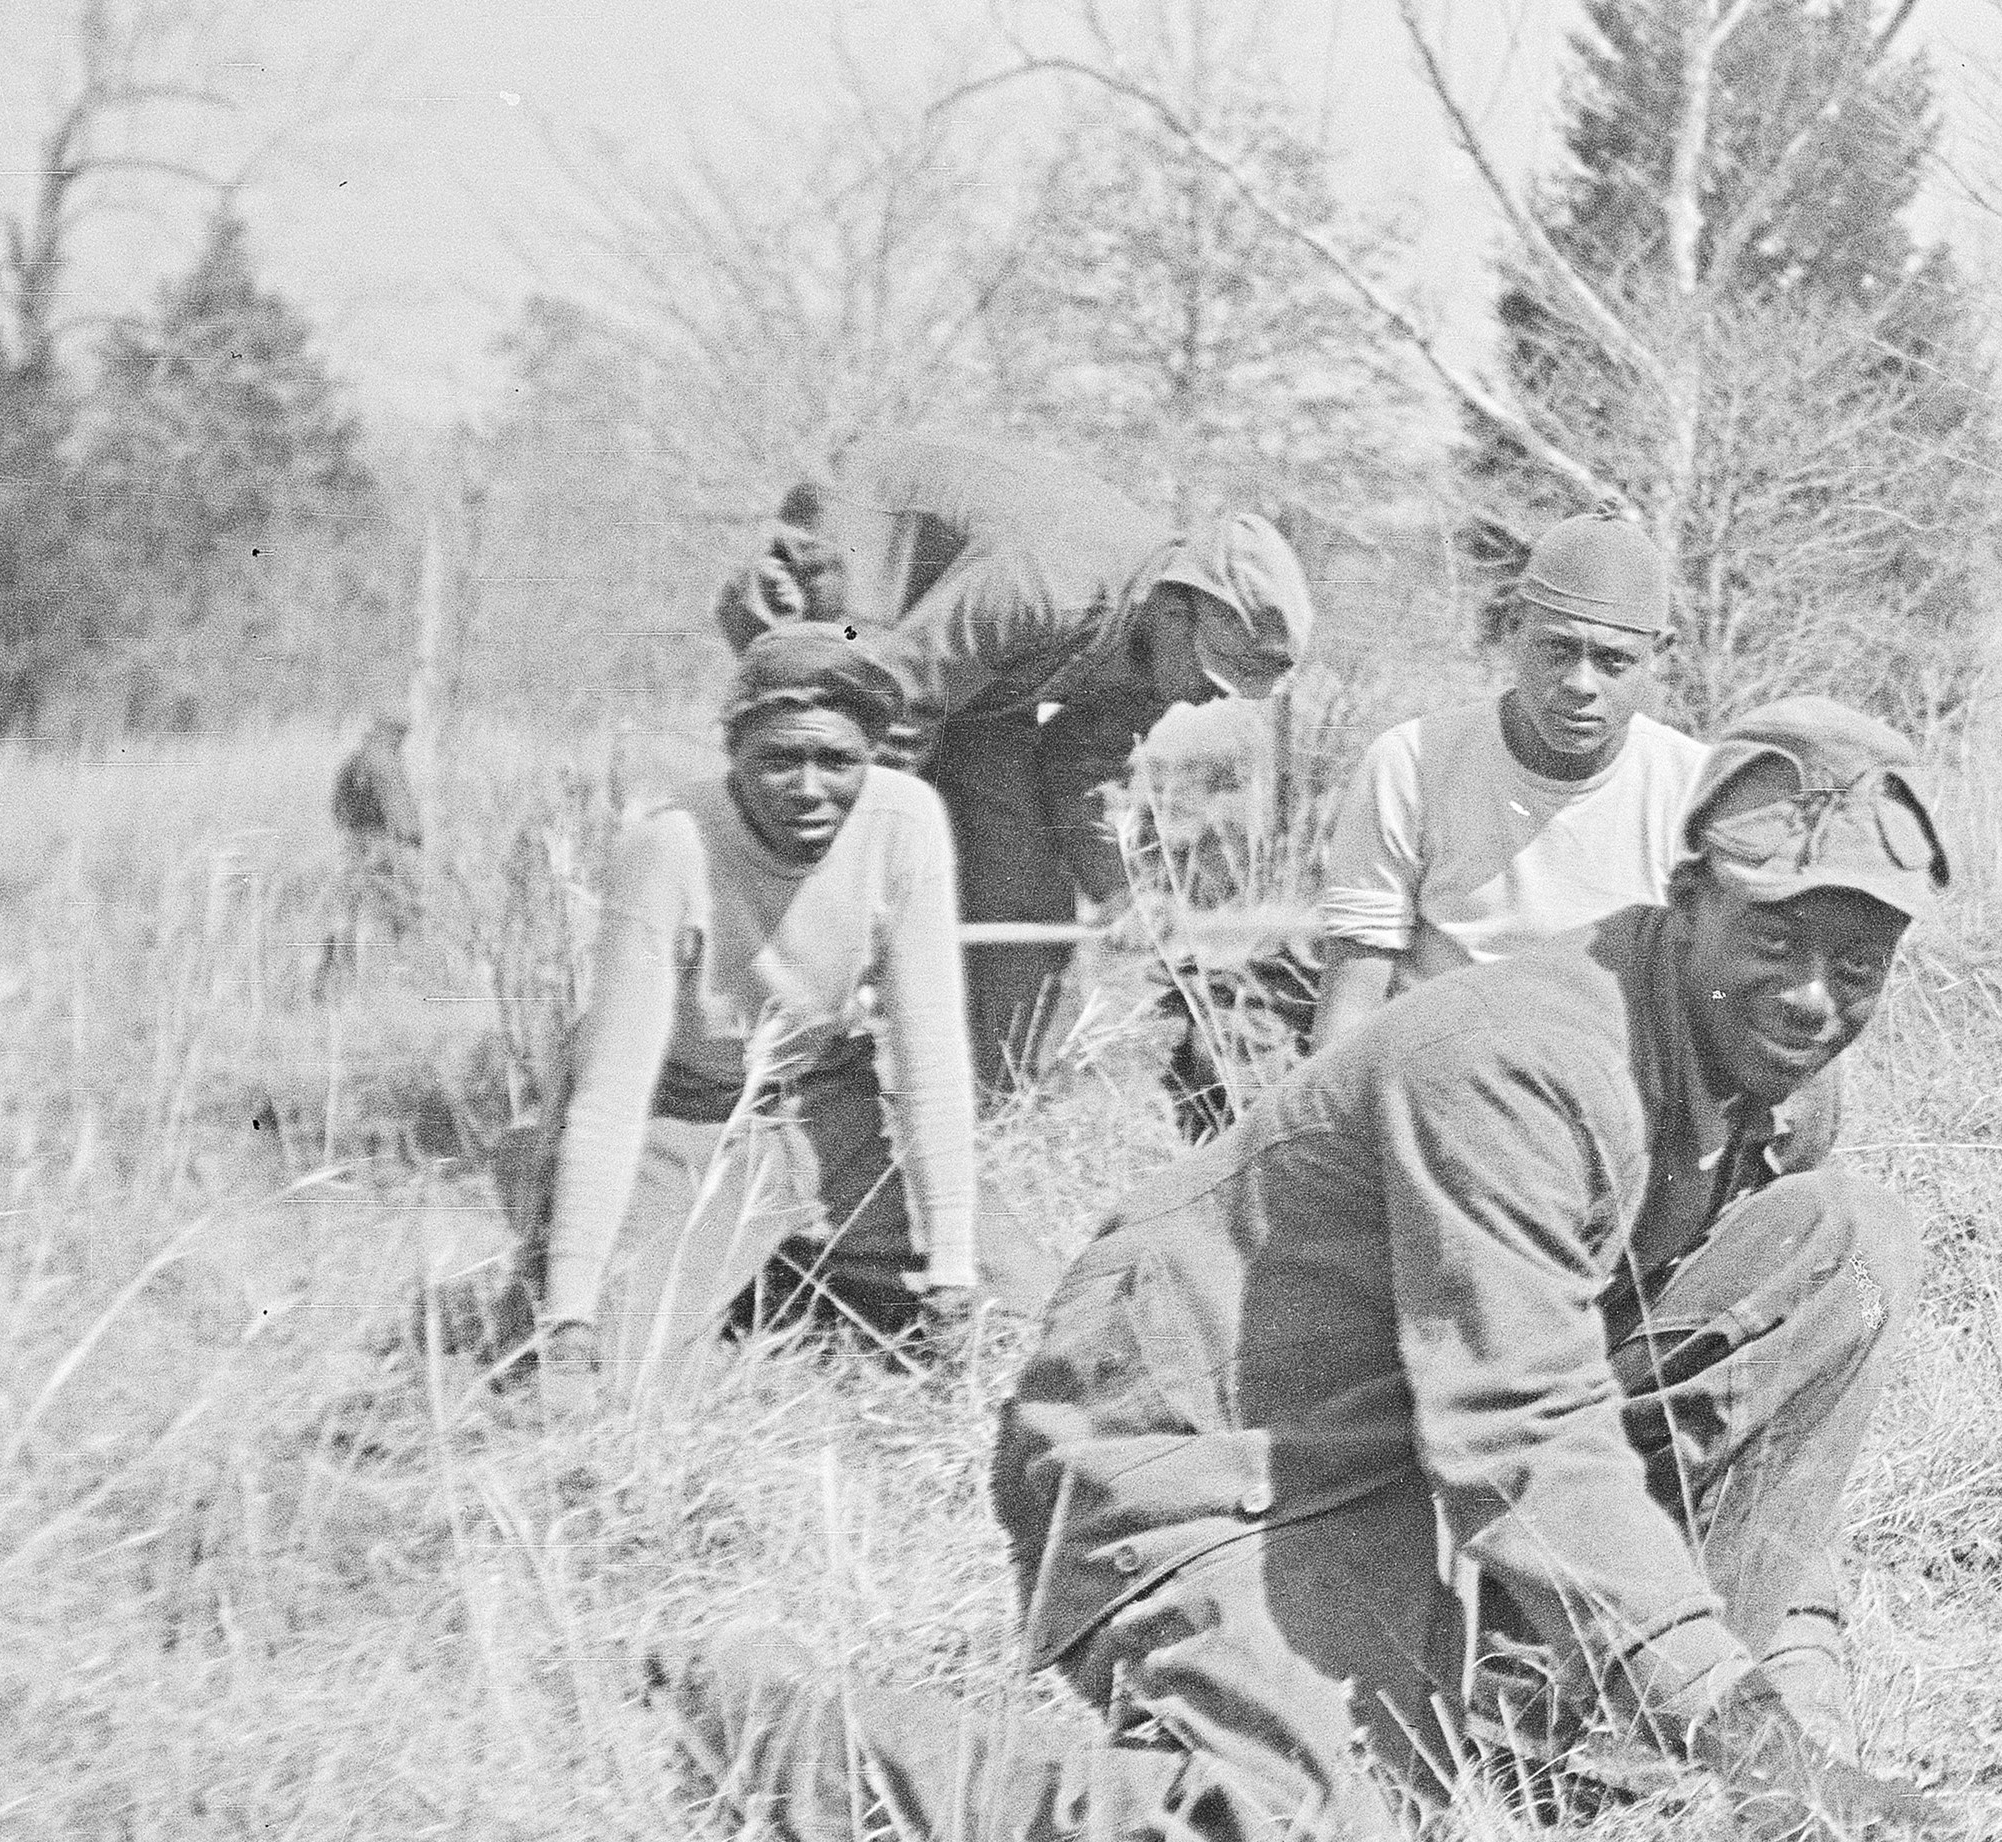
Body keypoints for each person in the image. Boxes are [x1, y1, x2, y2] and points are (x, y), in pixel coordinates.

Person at [639, 701, 1957, 1842]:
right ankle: (782, 1734)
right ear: (1685, 898)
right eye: (1773, 934)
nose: (1808, 994)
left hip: (1395, 1440)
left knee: (1845, 1243)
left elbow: (1751, 1433)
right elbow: (1525, 1422)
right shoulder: (1522, 1060)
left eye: (1857, 959)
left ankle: (1572, 1734)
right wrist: (1745, 1730)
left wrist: (1792, 1682)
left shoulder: (1786, 1085)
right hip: (1189, 1438)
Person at [502, 627, 1048, 1402]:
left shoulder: (906, 820)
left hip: (830, 1110)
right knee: (622, 1384)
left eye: (837, 760)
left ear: (873, 755)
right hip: (690, 1119)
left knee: (1039, 1323)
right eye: (778, 759)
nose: (808, 787)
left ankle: (788, 1268)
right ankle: (601, 1224)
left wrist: (954, 1272)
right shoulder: (666, 845)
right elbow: (611, 1097)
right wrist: (568, 1317)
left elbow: (932, 1061)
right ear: (734, 754)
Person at [716, 432, 1317, 1092]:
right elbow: (895, 698)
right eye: (1214, 675)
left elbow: (1081, 765)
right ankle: (764, 1048)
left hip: (977, 668)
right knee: (830, 741)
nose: (1209, 699)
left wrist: (1122, 891)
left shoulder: (1152, 649)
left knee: (1019, 867)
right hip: (865, 569)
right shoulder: (1046, 588)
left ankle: (1000, 1097)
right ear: (1176, 609)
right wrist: (863, 867)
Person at [1308, 515, 1706, 1049]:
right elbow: (1352, 1000)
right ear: (1516, 629)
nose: (1579, 685)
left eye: (1613, 661)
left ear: (1660, 655)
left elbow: (1721, 990)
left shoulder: (1698, 789)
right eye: (1557, 650)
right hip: (1445, 1073)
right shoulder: (1413, 762)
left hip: (1619, 1080)